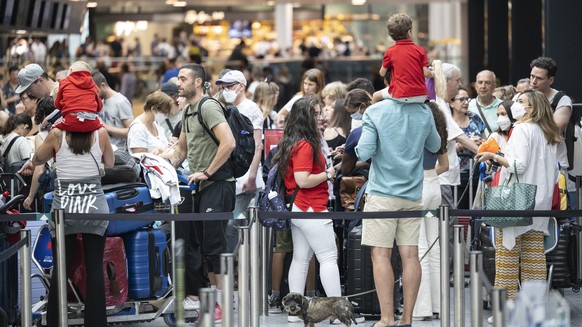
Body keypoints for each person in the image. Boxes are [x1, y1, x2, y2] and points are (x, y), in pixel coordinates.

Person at [355, 96, 441, 327]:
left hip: (382, 194)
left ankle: (386, 319)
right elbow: (435, 144)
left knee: (381, 256)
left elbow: (363, 152)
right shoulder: (424, 111)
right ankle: (407, 319)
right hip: (413, 193)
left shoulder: (375, 111)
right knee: (410, 255)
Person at [20, 123, 114, 327]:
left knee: (61, 269)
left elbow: (38, 159)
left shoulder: (56, 134)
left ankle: (55, 322)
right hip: (94, 205)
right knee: (95, 267)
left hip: (64, 208)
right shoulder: (101, 133)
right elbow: (110, 163)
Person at [475, 89, 560, 305]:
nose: (516, 104)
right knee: (534, 257)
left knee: (507, 258)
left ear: (533, 108)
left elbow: (518, 165)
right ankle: (534, 308)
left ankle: (506, 309)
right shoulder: (547, 132)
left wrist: (494, 156)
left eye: (521, 101)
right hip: (539, 200)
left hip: (516, 199)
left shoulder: (522, 129)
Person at [170, 63, 235, 322]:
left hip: (217, 184)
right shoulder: (187, 110)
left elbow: (228, 142)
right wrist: (159, 162)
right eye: (178, 78)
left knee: (215, 247)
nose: (179, 83)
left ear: (198, 82)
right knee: (203, 247)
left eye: (183, 78)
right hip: (199, 186)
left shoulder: (208, 106)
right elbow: (182, 152)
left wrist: (207, 172)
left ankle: (221, 303)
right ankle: (213, 301)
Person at [270, 95, 342, 323]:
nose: (321, 117)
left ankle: (295, 314)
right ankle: (338, 312)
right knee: (328, 257)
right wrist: (329, 173)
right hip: (311, 206)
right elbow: (303, 179)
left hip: (300, 208)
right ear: (307, 117)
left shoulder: (294, 141)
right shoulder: (305, 144)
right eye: (317, 113)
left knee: (300, 259)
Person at [413, 102, 448, 320]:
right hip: (434, 188)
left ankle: (422, 307)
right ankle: (438, 304)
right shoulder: (439, 133)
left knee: (419, 247)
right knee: (434, 246)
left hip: (418, 189)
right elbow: (445, 166)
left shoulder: (417, 130)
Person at [378, 13, 432, 103]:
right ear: (409, 32)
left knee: (376, 96)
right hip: (421, 95)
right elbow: (426, 73)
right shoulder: (420, 50)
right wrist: (434, 74)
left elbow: (382, 73)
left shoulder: (390, 51)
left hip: (400, 95)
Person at [450, 88, 485, 209]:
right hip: (455, 174)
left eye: (467, 99)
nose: (466, 102)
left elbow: (486, 141)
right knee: (457, 209)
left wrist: (480, 142)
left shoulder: (474, 117)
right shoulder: (447, 121)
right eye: (461, 99)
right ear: (451, 103)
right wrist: (464, 144)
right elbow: (442, 150)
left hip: (476, 172)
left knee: (475, 210)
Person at [21, 96, 58, 210]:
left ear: (41, 114)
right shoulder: (66, 130)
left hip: (55, 187)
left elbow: (39, 170)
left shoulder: (41, 136)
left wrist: (30, 197)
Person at [53, 61, 103, 133]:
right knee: (102, 128)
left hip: (70, 121)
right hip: (91, 122)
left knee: (53, 128)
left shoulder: (64, 82)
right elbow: (99, 107)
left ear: (70, 70)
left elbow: (58, 105)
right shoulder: (93, 85)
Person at [92, 72, 133, 151]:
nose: (93, 95)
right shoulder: (100, 101)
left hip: (120, 152)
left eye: (95, 91)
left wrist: (107, 128)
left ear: (103, 85)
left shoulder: (121, 101)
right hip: (105, 150)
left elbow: (131, 131)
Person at [127, 91, 174, 157]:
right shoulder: (137, 129)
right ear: (154, 109)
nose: (166, 116)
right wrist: (163, 155)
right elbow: (141, 160)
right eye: (164, 113)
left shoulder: (156, 124)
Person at [341, 89, 373, 177]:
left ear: (362, 106)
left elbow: (346, 169)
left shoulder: (357, 134)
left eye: (352, 113)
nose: (351, 116)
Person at [468, 70, 502, 137]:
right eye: (480, 82)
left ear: (494, 86)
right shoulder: (467, 106)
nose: (483, 86)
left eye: (487, 83)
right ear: (475, 86)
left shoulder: (502, 106)